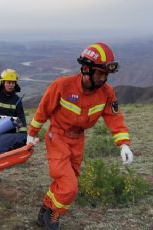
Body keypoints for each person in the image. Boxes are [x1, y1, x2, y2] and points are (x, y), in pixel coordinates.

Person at [26, 42, 134, 229]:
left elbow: (114, 118)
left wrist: (124, 144)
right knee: (69, 187)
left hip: (78, 140)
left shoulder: (107, 93)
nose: (103, 79)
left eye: (106, 75)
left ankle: (45, 209)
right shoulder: (62, 86)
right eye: (100, 73)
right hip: (57, 137)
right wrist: (31, 134)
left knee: (68, 181)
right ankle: (54, 215)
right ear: (85, 69)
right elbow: (43, 111)